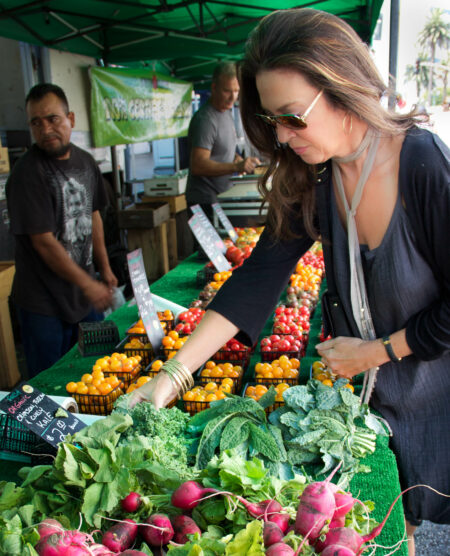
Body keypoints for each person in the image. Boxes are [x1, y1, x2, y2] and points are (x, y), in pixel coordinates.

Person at [129, 9, 450, 554]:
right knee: (390, 529)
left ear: (342, 86)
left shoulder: (420, 163)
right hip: (371, 408)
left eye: (291, 117)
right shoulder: (319, 177)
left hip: (431, 397)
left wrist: (376, 350)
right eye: (272, 121)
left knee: (412, 516)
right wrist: (169, 379)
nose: (281, 135)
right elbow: (258, 278)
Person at [6, 83, 118, 378]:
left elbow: (94, 217)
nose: (45, 129)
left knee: (96, 372)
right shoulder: (27, 174)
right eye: (36, 122)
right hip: (43, 303)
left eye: (53, 119)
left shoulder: (85, 162)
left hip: (83, 295)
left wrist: (104, 269)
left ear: (71, 118)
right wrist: (89, 284)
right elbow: (43, 243)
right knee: (49, 383)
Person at [185, 61, 261, 222]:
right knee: (214, 247)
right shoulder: (206, 120)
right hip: (205, 201)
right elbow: (198, 164)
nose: (233, 97)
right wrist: (236, 166)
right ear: (213, 88)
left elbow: (220, 148)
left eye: (236, 91)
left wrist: (235, 157)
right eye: (227, 91)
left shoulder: (225, 112)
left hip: (221, 197)